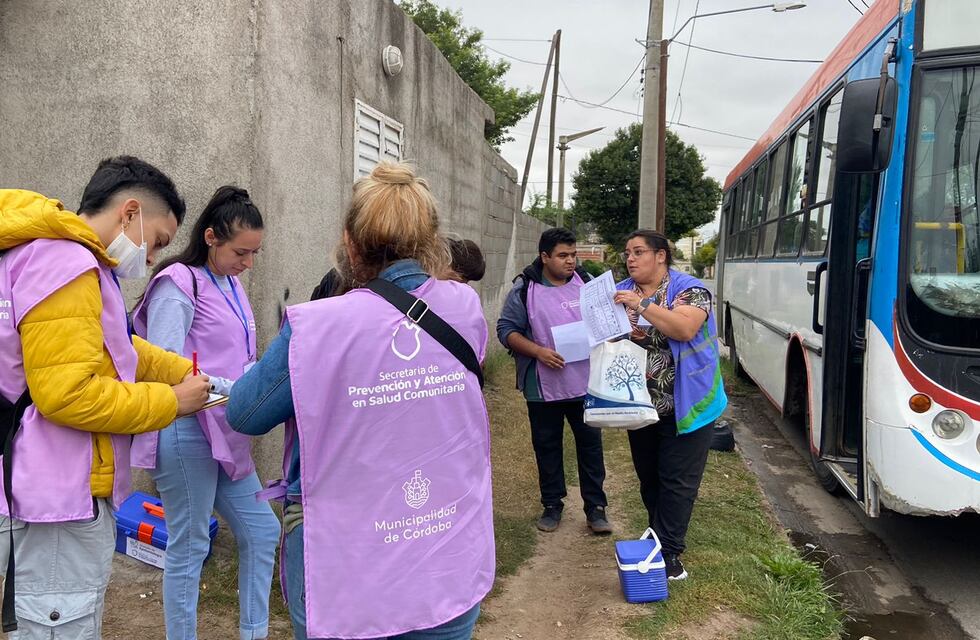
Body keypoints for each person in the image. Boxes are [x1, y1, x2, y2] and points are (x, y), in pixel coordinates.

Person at [227, 162, 494, 640]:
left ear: (349, 242)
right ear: (431, 243)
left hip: (348, 568)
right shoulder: (465, 309)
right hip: (448, 553)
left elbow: (244, 412)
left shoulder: (316, 326)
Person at [0, 157, 211, 637]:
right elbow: (67, 394)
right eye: (157, 241)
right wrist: (171, 403)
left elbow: (115, 347)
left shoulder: (58, 259)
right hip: (61, 491)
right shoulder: (68, 263)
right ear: (130, 213)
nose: (153, 257)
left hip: (43, 482)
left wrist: (190, 374)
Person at [131, 186, 281, 640]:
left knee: (262, 531)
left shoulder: (231, 283)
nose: (248, 263)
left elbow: (241, 355)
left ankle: (253, 632)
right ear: (212, 237)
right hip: (185, 432)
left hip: (227, 433)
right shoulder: (178, 284)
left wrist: (261, 380)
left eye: (255, 253)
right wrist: (239, 389)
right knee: (190, 543)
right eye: (241, 252)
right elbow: (161, 364)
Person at [612, 229, 728, 581]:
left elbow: (684, 330)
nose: (630, 258)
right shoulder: (620, 289)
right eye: (627, 253)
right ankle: (657, 540)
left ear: (661, 256)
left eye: (639, 251)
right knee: (650, 477)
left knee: (677, 480)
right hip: (640, 404)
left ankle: (670, 555)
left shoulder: (690, 289)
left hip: (688, 402)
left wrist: (642, 305)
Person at [496, 228, 611, 535]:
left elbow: (605, 322)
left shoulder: (586, 284)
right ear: (544, 257)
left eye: (573, 255)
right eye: (563, 256)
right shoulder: (525, 288)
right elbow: (506, 330)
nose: (570, 261)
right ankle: (552, 505)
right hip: (542, 385)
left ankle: (595, 508)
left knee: (590, 446)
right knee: (547, 445)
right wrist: (538, 352)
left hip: (586, 383)